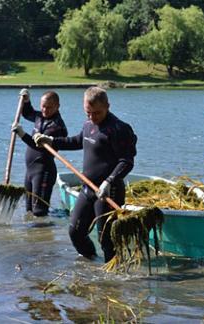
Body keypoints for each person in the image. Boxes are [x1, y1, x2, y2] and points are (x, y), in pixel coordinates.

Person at [33, 86, 137, 262]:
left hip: (108, 192)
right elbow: (77, 141)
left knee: (107, 241)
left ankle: (113, 278)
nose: (92, 117)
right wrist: (51, 140)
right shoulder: (89, 125)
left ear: (107, 106)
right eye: (88, 113)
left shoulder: (119, 129)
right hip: (88, 188)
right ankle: (91, 265)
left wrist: (109, 181)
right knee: (75, 232)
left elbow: (127, 161)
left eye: (96, 113)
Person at [11, 89, 68, 217]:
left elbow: (40, 146)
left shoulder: (57, 126)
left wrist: (22, 134)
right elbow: (28, 113)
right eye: (43, 106)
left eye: (49, 107)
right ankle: (34, 236)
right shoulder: (40, 117)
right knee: (29, 212)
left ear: (57, 106)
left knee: (39, 212)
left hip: (44, 172)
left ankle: (47, 232)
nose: (45, 110)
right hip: (30, 171)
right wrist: (26, 101)